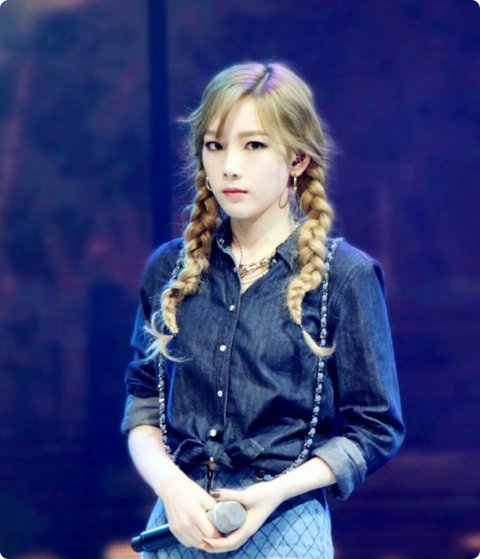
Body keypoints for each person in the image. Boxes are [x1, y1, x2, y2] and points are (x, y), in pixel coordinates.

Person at [121, 62, 405, 558]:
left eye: (253, 145)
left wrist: (275, 491)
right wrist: (171, 487)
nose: (230, 166)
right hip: (178, 526)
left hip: (284, 527)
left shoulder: (345, 277)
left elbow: (375, 428)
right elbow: (143, 404)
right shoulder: (170, 268)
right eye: (215, 146)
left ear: (297, 158)